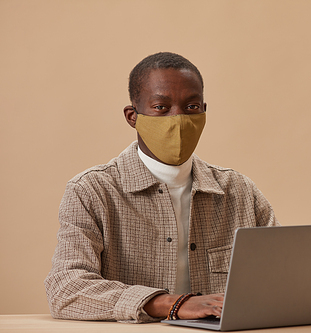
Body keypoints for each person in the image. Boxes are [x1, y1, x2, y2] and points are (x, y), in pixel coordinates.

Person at [44, 52, 278, 323]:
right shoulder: (91, 191)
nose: (177, 119)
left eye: (191, 107)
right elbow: (66, 289)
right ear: (133, 116)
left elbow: (281, 276)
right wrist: (171, 303)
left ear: (203, 111)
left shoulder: (240, 191)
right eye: (161, 108)